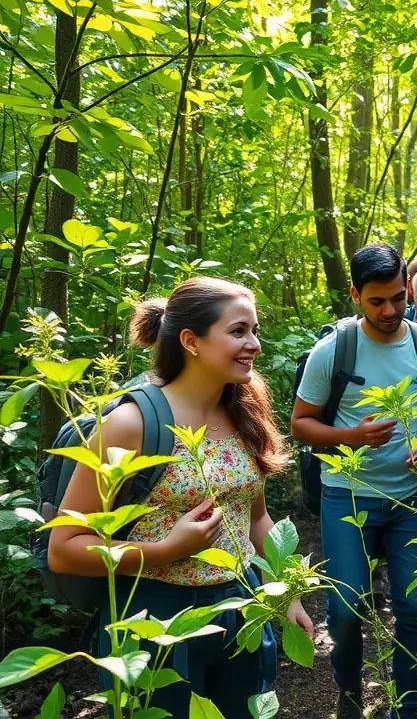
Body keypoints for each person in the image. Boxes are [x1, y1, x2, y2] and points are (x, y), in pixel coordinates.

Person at [49, 277, 312, 719]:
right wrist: (167, 549)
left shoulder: (244, 409)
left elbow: (257, 518)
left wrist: (287, 592)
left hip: (241, 609)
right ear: (190, 340)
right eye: (238, 331)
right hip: (153, 619)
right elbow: (65, 548)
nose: (255, 344)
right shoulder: (129, 425)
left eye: (255, 330)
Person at [291, 244, 417, 719]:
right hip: (346, 493)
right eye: (376, 301)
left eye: (396, 299)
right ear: (355, 296)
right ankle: (348, 690)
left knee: (413, 608)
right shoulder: (334, 350)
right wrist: (351, 436)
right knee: (345, 610)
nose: (389, 311)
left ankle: (408, 707)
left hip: (411, 500)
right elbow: (301, 423)